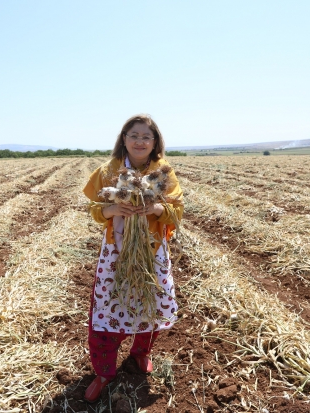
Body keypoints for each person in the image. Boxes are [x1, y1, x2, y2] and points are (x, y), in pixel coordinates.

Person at [82, 114, 184, 402]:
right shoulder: (108, 171)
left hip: (151, 252)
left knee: (152, 302)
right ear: (123, 138)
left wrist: (156, 211)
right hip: (117, 251)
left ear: (155, 143)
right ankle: (104, 372)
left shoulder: (163, 173)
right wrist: (110, 211)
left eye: (146, 137)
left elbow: (178, 211)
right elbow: (94, 207)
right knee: (108, 306)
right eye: (134, 135)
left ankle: (141, 353)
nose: (140, 141)